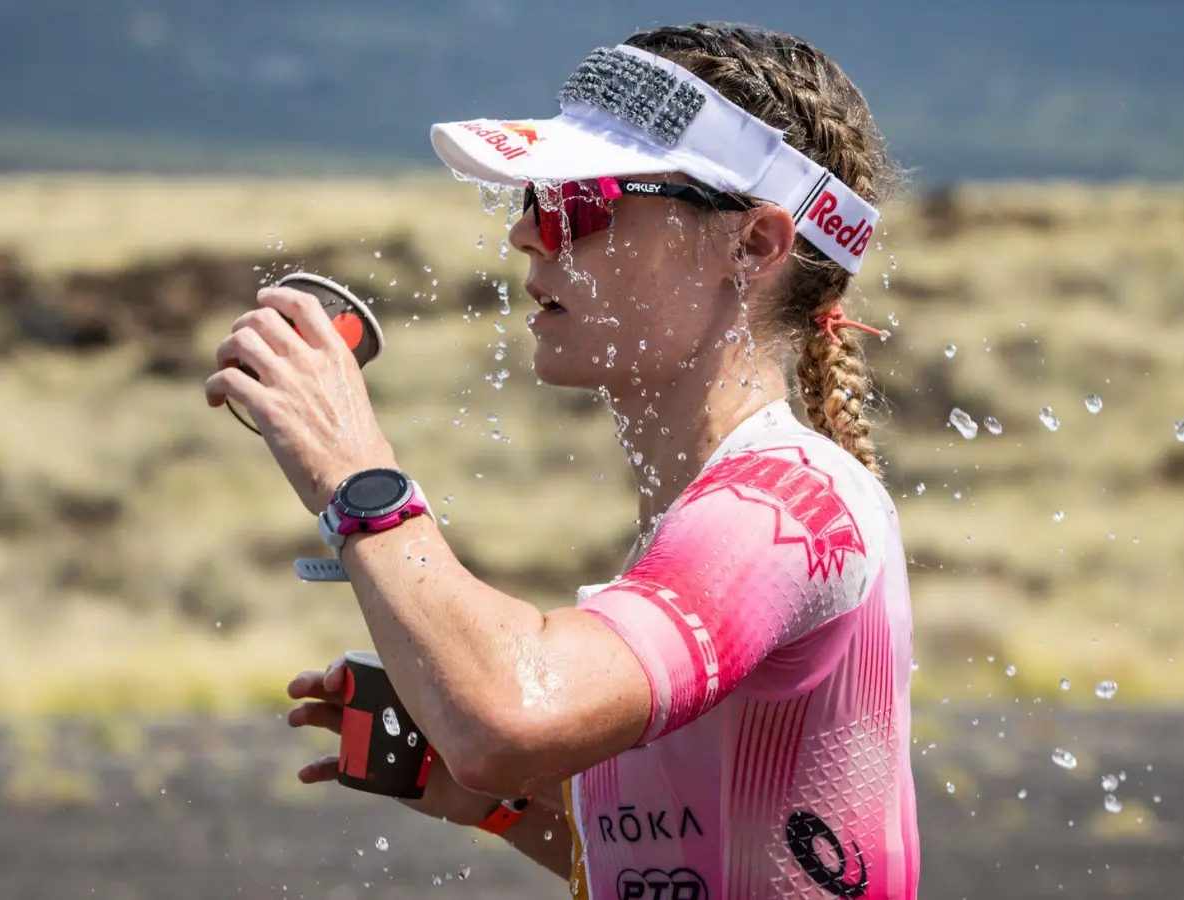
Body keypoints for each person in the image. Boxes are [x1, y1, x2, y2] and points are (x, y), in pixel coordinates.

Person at [204, 21, 920, 900]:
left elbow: (508, 716)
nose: (528, 236)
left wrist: (357, 477)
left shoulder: (784, 509)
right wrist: (497, 804)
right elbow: (685, 864)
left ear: (755, 247)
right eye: (535, 198)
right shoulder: (736, 506)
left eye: (580, 203)